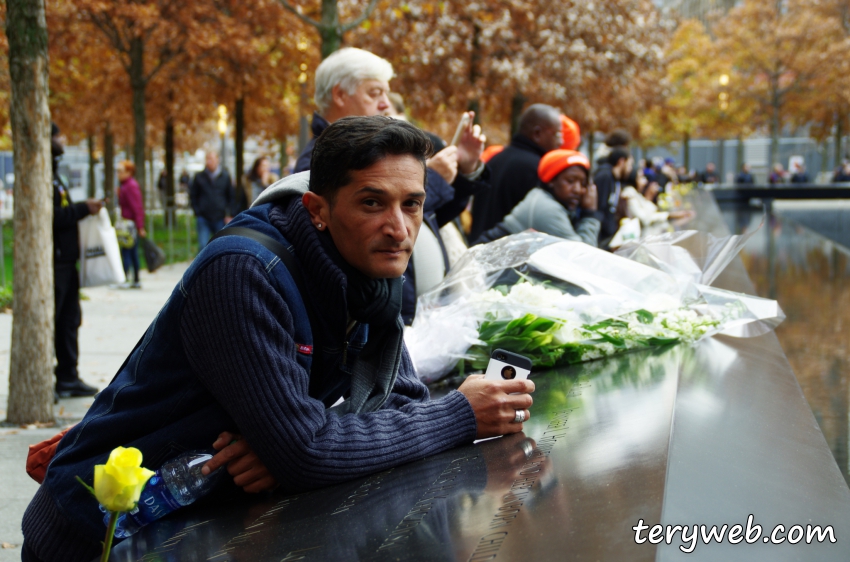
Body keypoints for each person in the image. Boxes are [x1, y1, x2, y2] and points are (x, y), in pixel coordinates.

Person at [22, 116, 534, 562]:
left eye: (412, 204)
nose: (398, 228)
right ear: (317, 209)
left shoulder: (370, 270)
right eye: (372, 202)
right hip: (98, 537)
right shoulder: (243, 273)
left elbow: (394, 401)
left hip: (201, 529)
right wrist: (460, 413)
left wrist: (288, 444)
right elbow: (309, 451)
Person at [292, 48, 488, 324]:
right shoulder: (317, 162)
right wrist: (437, 180)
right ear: (339, 95)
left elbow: (429, 221)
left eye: (411, 202)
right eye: (374, 93)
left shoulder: (367, 155)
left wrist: (464, 173)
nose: (386, 104)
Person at [51, 123, 102, 398]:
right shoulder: (42, 172)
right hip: (55, 261)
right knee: (54, 319)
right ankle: (55, 378)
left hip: (67, 261)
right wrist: (83, 209)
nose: (63, 139)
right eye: (58, 135)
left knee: (70, 319)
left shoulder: (56, 172)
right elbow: (51, 215)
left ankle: (68, 376)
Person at [469, 103, 562, 241]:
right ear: (537, 134)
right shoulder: (537, 169)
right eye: (557, 134)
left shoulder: (495, 160)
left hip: (479, 249)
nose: (561, 141)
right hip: (507, 255)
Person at [475, 149, 601, 246]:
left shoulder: (549, 199)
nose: (578, 190)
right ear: (552, 180)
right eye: (570, 181)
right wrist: (590, 214)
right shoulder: (547, 208)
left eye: (583, 184)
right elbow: (583, 257)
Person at [190, 151, 234, 249]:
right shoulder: (199, 177)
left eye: (212, 159)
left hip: (220, 217)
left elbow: (230, 196)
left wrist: (229, 214)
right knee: (203, 245)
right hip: (203, 217)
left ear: (217, 160)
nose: (210, 162)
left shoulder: (225, 176)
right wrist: (197, 211)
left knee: (220, 246)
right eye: (208, 159)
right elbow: (193, 195)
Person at [594, 147, 633, 244]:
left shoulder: (614, 178)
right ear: (621, 161)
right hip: (601, 238)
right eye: (629, 165)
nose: (630, 169)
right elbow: (600, 207)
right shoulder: (605, 176)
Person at [117, 160, 146, 289]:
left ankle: (127, 277)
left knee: (128, 251)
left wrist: (140, 226)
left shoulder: (130, 186)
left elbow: (137, 207)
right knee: (131, 251)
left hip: (130, 224)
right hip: (128, 223)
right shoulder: (125, 185)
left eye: (120, 171)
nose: (118, 174)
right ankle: (134, 278)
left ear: (129, 172)